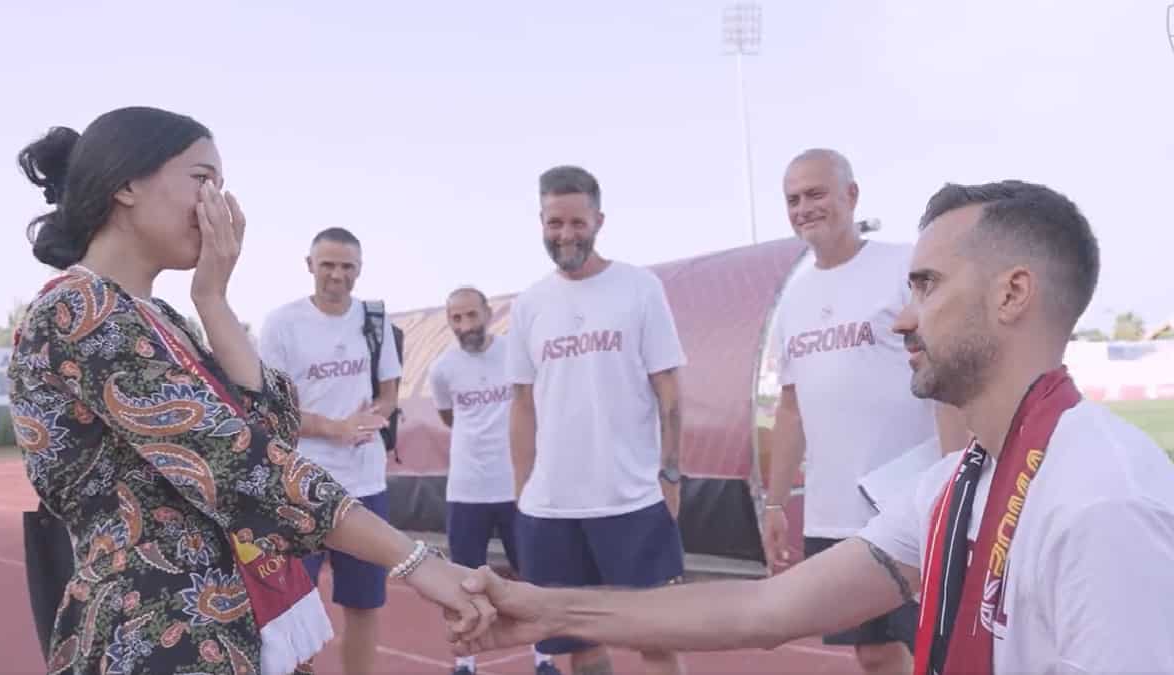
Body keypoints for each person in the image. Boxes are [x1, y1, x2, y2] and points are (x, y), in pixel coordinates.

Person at [449, 179, 1174, 674]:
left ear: (1014, 293)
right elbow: (761, 608)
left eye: (927, 285)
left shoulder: (1102, 500)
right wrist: (543, 607)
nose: (901, 316)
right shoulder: (956, 485)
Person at [6, 106, 495, 675]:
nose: (219, 204)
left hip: (227, 625)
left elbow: (270, 424)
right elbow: (240, 464)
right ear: (127, 185)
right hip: (157, 636)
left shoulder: (160, 317)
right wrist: (416, 561)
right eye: (202, 180)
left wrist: (212, 299)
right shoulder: (79, 311)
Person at [759, 148, 968, 673]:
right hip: (835, 508)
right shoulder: (794, 299)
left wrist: (950, 477)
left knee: (940, 642)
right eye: (793, 199)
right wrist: (775, 502)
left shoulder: (903, 265)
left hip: (909, 498)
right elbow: (791, 409)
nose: (804, 207)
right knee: (873, 652)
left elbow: (947, 373)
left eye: (816, 193)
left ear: (851, 196)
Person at [505, 165, 687, 675]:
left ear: (599, 220)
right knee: (577, 647)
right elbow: (522, 404)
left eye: (576, 223)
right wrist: (523, 493)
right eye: (554, 223)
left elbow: (669, 392)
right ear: (540, 221)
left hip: (630, 502)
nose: (565, 235)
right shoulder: (529, 305)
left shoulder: (639, 288)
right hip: (551, 510)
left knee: (658, 640)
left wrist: (671, 475)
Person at [259, 226, 402, 674]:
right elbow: (271, 410)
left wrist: (374, 417)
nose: (337, 275)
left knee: (364, 606)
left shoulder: (373, 318)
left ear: (359, 269)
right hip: (301, 485)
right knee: (295, 611)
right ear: (309, 266)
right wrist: (333, 428)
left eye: (347, 267)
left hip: (365, 486)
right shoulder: (282, 324)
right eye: (328, 265)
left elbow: (390, 391)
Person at [428, 285, 560, 675]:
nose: (465, 324)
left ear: (488, 314)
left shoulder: (515, 355)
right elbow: (450, 417)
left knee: (532, 576)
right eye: (456, 318)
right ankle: (465, 662)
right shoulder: (442, 369)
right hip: (466, 490)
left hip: (518, 489)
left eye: (472, 315)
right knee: (463, 583)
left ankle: (544, 658)